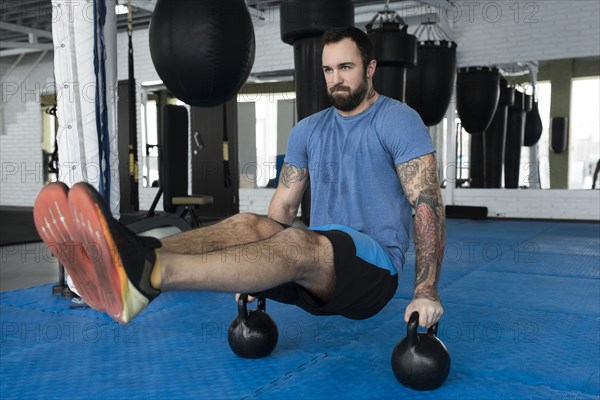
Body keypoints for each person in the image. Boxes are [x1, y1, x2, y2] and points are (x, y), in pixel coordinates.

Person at [33, 27, 445, 329]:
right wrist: (256, 273)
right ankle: (134, 253)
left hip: (372, 273)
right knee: (249, 223)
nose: (335, 79)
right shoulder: (308, 129)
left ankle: (150, 273)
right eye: (327, 69)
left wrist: (425, 291)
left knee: (300, 242)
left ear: (370, 67)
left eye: (346, 67)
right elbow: (282, 207)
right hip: (313, 263)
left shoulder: (397, 120)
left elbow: (427, 207)